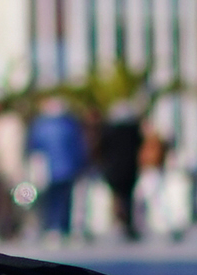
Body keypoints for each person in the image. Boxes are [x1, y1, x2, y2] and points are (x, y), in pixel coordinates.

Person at [25, 97, 88, 238]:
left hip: (48, 169)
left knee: (51, 199)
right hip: (68, 168)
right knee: (66, 198)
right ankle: (63, 227)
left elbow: (33, 146)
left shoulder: (40, 125)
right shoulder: (69, 124)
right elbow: (78, 147)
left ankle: (52, 227)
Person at [94, 100, 146, 242]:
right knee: (127, 197)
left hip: (114, 167)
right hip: (130, 167)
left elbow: (103, 147)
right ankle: (126, 222)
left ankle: (118, 218)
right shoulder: (133, 129)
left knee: (117, 195)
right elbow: (139, 144)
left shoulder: (109, 129)